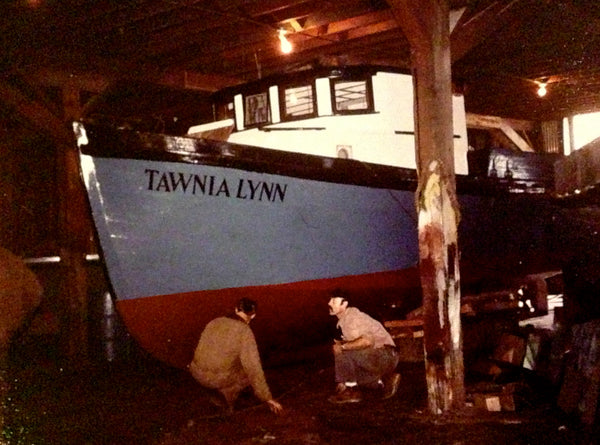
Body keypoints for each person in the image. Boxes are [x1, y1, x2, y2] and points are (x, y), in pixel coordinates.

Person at [188, 298, 283, 414]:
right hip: (214, 380)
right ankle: (227, 398)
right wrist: (267, 398)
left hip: (196, 372)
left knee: (230, 359)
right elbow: (254, 369)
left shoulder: (215, 321)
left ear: (236, 309)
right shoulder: (244, 331)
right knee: (248, 373)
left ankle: (212, 391)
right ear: (253, 316)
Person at [327, 290, 400, 404]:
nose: (329, 303)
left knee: (343, 351)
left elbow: (367, 341)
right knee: (352, 367)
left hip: (386, 354)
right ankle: (383, 381)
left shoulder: (353, 317)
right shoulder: (345, 320)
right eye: (330, 300)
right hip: (384, 356)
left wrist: (343, 346)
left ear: (344, 304)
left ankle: (351, 390)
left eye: (334, 301)